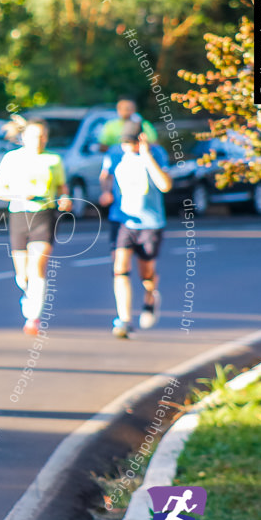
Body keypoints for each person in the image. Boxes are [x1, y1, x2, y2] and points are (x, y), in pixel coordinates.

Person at [0, 118, 72, 335]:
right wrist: (18, 194)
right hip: (19, 214)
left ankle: (33, 317)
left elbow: (62, 187)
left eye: (43, 136)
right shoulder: (11, 159)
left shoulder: (54, 159)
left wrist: (65, 199)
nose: (39, 140)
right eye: (35, 136)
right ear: (24, 137)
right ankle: (27, 291)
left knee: (38, 267)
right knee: (22, 274)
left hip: (45, 215)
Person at [99, 120, 172, 339]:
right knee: (119, 267)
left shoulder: (156, 154)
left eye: (132, 142)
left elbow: (165, 185)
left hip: (150, 222)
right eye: (125, 142)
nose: (128, 147)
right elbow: (106, 176)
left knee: (146, 272)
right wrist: (106, 192)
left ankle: (150, 297)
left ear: (141, 139)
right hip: (122, 219)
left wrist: (147, 156)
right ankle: (124, 319)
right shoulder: (115, 154)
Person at [98, 98, 159, 252]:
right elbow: (102, 147)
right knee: (119, 264)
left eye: (129, 108)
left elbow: (155, 143)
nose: (126, 112)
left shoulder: (144, 125)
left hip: (141, 170)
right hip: (120, 169)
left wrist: (141, 150)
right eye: (123, 109)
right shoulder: (111, 127)